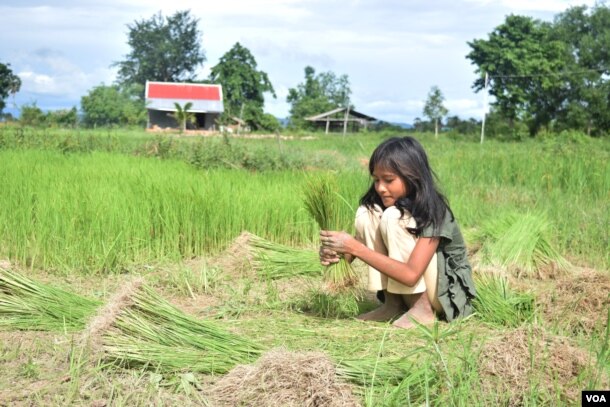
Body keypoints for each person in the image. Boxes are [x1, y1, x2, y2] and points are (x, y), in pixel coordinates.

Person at [319, 136, 476, 328]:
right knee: (366, 213)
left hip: (444, 294)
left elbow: (411, 274)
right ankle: (392, 304)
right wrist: (337, 252)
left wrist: (356, 248)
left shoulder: (434, 210)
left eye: (389, 180)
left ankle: (422, 309)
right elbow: (358, 248)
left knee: (394, 216)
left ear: (412, 176)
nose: (380, 188)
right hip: (414, 285)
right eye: (376, 180)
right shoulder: (381, 203)